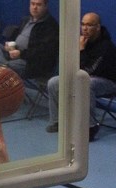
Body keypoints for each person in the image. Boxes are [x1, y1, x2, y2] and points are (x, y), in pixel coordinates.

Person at [0, 0, 59, 124]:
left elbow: (43, 53)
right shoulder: (26, 20)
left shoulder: (50, 26)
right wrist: (9, 45)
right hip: (13, 55)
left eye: (38, 5)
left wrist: (21, 53)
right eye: (32, 4)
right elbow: (16, 36)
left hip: (30, 63)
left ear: (45, 6)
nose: (35, 7)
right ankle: (2, 67)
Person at [46, 12, 116, 142]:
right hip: (83, 78)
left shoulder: (106, 47)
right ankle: (57, 121)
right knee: (54, 82)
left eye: (89, 25)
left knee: (86, 83)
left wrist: (81, 51)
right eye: (83, 24)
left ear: (98, 27)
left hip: (107, 82)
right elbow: (71, 66)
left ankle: (89, 126)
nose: (84, 28)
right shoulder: (81, 41)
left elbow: (88, 71)